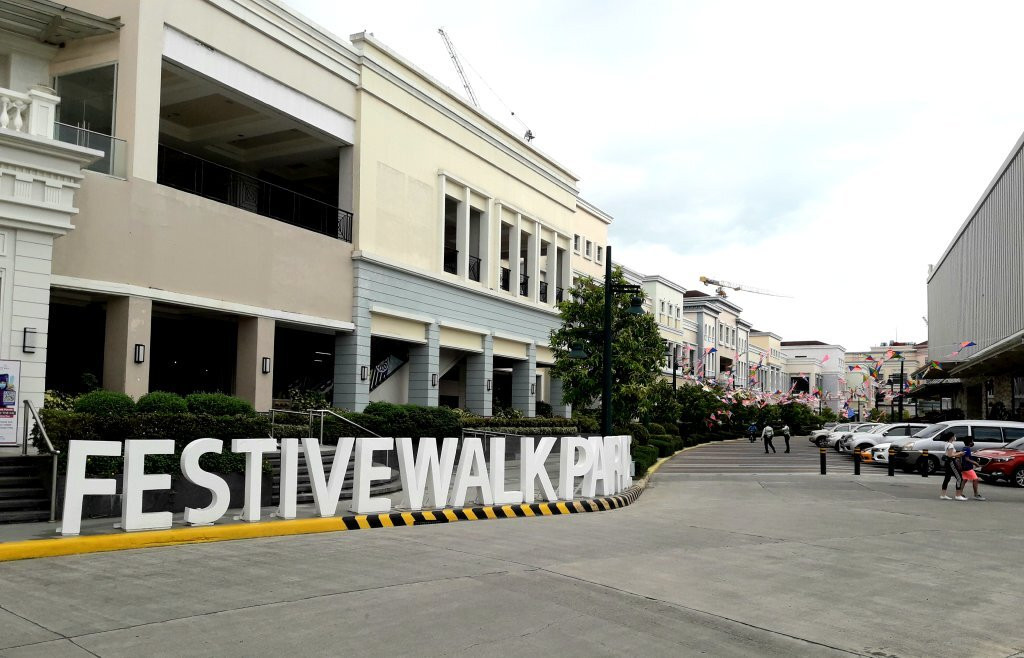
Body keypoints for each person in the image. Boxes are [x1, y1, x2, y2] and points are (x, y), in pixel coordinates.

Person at [939, 430, 965, 501]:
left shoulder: (947, 444)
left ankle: (943, 494)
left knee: (947, 478)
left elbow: (948, 454)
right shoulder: (951, 445)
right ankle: (958, 495)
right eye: (954, 436)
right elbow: (950, 455)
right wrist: (960, 454)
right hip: (951, 462)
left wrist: (957, 453)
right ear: (951, 437)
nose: (955, 437)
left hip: (948, 462)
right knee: (959, 478)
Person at [960, 437, 985, 501]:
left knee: (964, 480)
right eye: (972, 441)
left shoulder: (964, 448)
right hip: (967, 467)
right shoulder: (967, 449)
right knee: (975, 479)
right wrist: (975, 463)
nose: (973, 443)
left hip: (963, 467)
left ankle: (959, 493)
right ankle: (976, 494)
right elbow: (967, 459)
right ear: (970, 442)